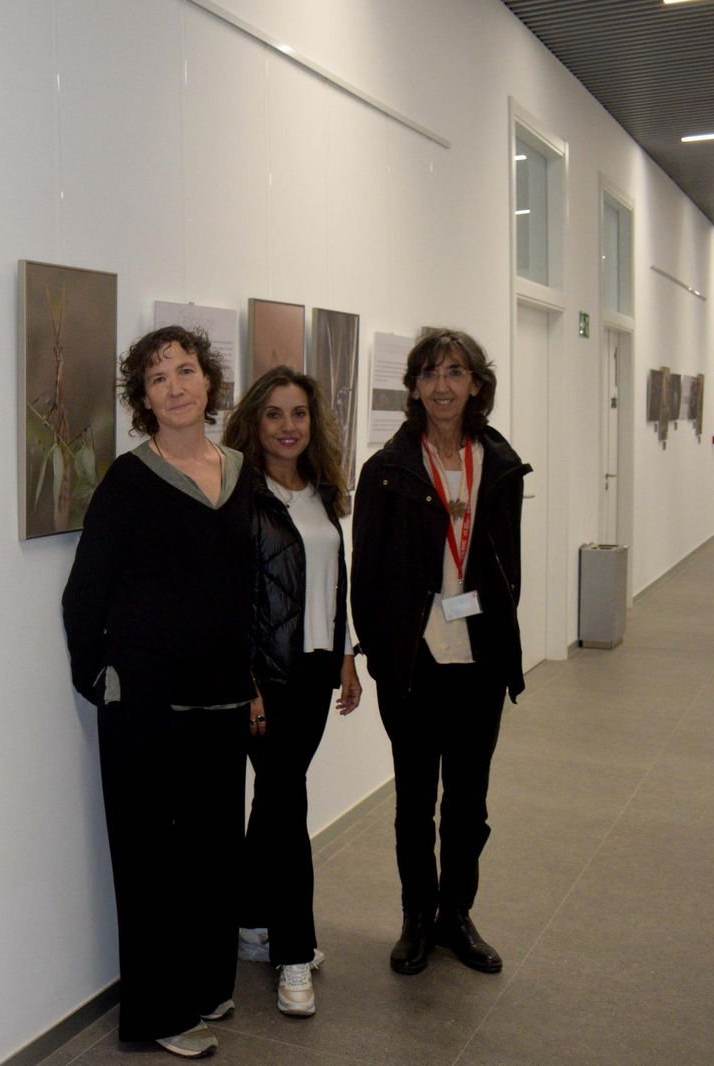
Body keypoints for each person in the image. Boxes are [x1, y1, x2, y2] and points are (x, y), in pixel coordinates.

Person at [62, 325, 254, 1058]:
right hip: (144, 706)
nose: (174, 386)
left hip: (223, 702)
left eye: (185, 370)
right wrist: (100, 679)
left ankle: (206, 985)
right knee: (152, 865)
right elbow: (84, 596)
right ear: (143, 400)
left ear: (209, 382)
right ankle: (158, 1014)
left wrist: (255, 681)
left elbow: (249, 588)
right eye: (157, 379)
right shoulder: (128, 481)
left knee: (213, 854)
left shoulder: (238, 471)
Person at [351, 329, 530, 976]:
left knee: (468, 804)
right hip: (414, 667)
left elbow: (507, 565)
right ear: (414, 388)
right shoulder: (388, 471)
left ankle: (457, 915)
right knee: (414, 803)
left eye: (455, 372)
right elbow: (364, 572)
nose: (443, 385)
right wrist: (378, 653)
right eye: (429, 373)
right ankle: (415, 919)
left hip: (479, 663)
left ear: (476, 384)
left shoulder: (501, 465)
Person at [222, 366, 361, 1017]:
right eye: (274, 414)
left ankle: (252, 923)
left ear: (313, 422)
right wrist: (245, 683)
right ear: (254, 422)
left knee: (274, 804)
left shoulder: (323, 493)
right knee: (288, 805)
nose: (287, 426)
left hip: (313, 672)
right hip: (265, 680)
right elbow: (229, 602)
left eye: (298, 413)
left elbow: (335, 579)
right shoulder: (239, 500)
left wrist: (347, 657)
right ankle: (293, 954)